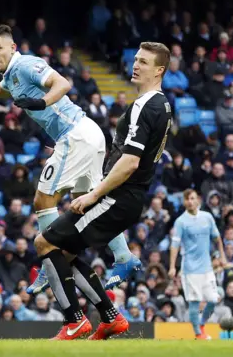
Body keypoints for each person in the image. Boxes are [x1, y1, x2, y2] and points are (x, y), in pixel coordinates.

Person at [0, 24, 139, 297]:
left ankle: (52, 261)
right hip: (88, 134)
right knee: (87, 204)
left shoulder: (26, 65)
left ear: (13, 48)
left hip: (75, 135)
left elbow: (63, 83)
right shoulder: (11, 77)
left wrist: (42, 103)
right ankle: (125, 257)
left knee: (43, 202)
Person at [32, 42, 173, 340]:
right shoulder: (162, 104)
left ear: (159, 70)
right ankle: (110, 318)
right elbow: (126, 154)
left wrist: (94, 194)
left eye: (144, 62)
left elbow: (131, 162)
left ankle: (75, 321)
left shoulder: (145, 105)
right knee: (64, 253)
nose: (136, 65)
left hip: (118, 196)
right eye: (135, 59)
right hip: (128, 198)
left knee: (44, 243)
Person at [168, 189, 227, 340]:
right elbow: (175, 245)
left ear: (198, 200)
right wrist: (172, 266)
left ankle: (201, 324)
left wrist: (223, 256)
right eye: (187, 199)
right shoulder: (181, 222)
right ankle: (198, 334)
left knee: (213, 300)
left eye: (192, 198)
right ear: (184, 202)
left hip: (207, 268)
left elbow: (217, 238)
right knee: (194, 303)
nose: (190, 201)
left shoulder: (207, 217)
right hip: (190, 269)